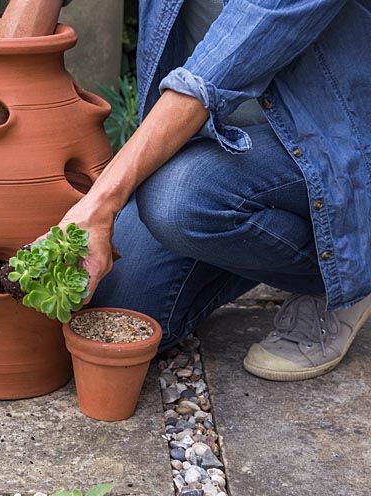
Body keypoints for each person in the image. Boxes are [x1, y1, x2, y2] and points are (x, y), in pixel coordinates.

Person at [41, 0, 371, 381]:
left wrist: (101, 203)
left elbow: (209, 79)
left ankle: (346, 272)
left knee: (178, 199)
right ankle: (246, 237)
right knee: (112, 311)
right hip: (220, 149)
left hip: (333, 148)